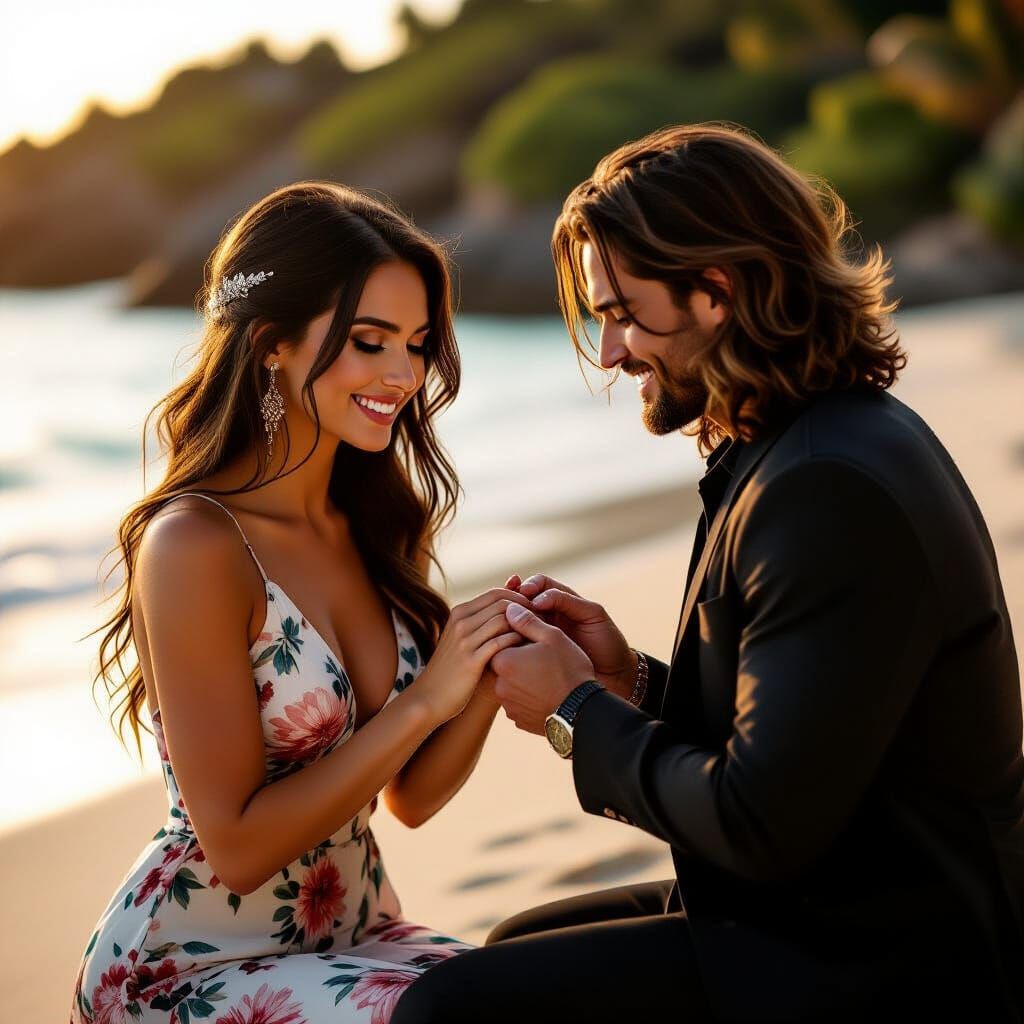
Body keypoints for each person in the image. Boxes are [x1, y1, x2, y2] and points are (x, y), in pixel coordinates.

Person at [392, 124, 1024, 1022]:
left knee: (452, 1009)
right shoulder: (806, 443)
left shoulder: (821, 488)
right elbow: (797, 742)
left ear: (716, 291)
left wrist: (576, 715)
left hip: (895, 964)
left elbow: (761, 826)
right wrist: (628, 680)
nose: (610, 353)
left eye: (620, 312)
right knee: (515, 946)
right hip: (835, 905)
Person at [70, 181, 526, 1023]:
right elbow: (236, 847)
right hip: (194, 966)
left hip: (353, 935)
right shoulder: (197, 546)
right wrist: (427, 696)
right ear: (274, 344)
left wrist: (486, 664)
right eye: (369, 341)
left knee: (559, 994)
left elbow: (411, 797)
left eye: (418, 344)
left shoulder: (375, 522)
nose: (403, 374)